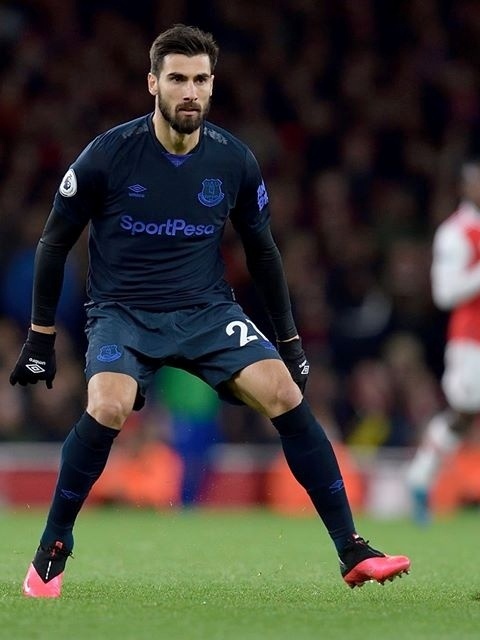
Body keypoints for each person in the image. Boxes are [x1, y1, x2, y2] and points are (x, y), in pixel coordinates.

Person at [10, 24, 410, 598]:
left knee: (285, 395)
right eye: (177, 79)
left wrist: (291, 344)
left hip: (205, 311)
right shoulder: (108, 155)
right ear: (153, 83)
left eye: (200, 79)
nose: (189, 91)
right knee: (110, 404)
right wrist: (41, 337)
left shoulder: (233, 161)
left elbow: (264, 251)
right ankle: (52, 550)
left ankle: (351, 549)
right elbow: (53, 242)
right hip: (124, 312)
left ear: (213, 85)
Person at [407, 157, 480, 523]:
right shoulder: (455, 233)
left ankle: (420, 476)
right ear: (466, 188)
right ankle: (420, 477)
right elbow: (445, 293)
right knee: (464, 412)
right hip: (471, 341)